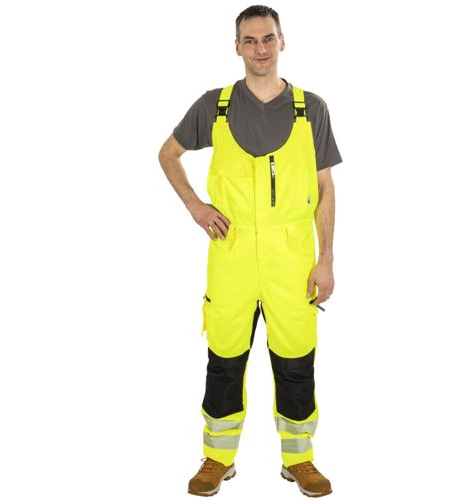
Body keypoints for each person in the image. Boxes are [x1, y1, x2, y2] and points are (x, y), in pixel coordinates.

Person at [158, 5, 342, 497]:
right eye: (250, 40)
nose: (260, 48)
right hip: (232, 255)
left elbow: (325, 187)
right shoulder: (214, 106)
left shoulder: (311, 109)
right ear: (237, 47)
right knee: (224, 358)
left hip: (293, 259)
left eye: (268, 38)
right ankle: (217, 458)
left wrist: (326, 259)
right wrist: (195, 206)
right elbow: (168, 154)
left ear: (282, 41)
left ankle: (299, 460)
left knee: (296, 360)